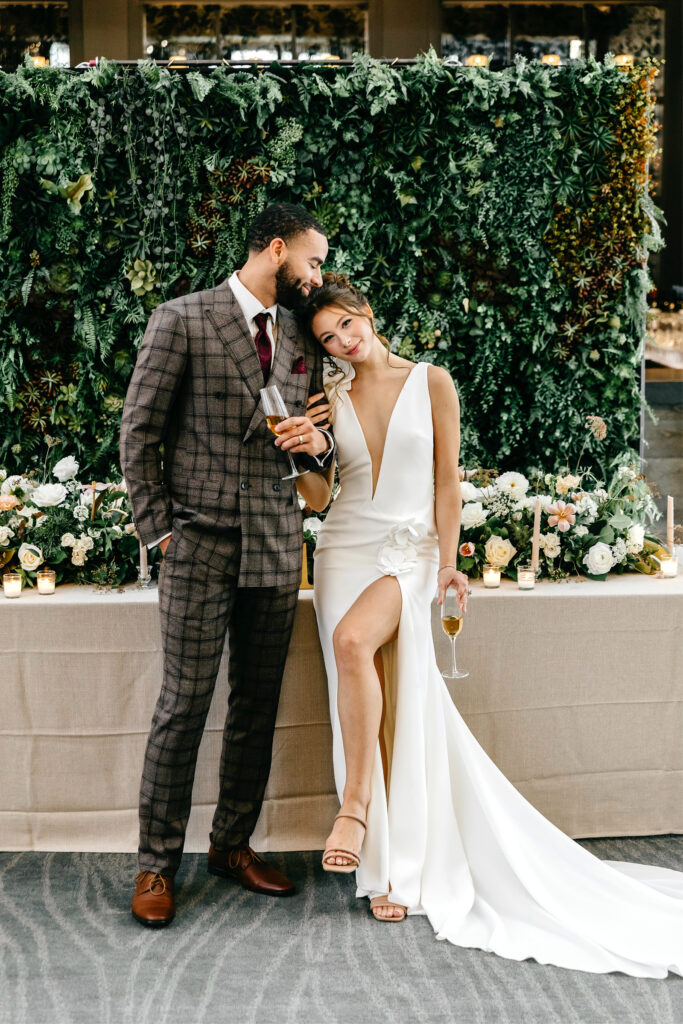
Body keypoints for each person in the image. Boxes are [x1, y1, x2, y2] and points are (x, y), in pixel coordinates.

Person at [297, 272, 683, 976]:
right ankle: (388, 870)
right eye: (327, 339)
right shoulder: (330, 398)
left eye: (346, 326)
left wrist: (447, 564)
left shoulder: (431, 381)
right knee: (374, 690)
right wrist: (297, 451)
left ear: (368, 310)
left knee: (356, 645)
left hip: (408, 552)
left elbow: (448, 481)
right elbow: (322, 496)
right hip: (342, 551)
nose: (343, 343)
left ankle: (355, 809)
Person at [120, 204, 335, 927]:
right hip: (198, 542)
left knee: (256, 706)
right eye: (312, 260)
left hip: (275, 541)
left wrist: (317, 442)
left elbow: (326, 433)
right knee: (183, 704)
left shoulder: (309, 332)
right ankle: (156, 863)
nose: (319, 276)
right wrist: (160, 533)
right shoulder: (181, 317)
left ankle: (231, 845)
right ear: (276, 249)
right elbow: (138, 432)